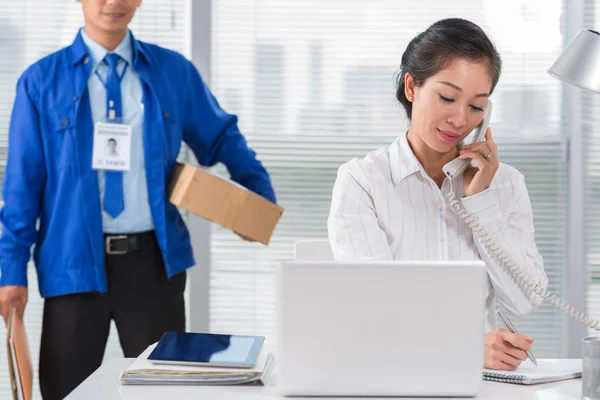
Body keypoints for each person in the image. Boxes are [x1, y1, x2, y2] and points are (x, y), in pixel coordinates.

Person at [0, 0, 276, 398]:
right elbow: (21, 186)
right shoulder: (41, 82)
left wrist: (258, 206)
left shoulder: (173, 72)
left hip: (153, 266)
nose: (114, 3)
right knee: (65, 392)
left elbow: (222, 138)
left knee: (166, 391)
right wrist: (10, 271)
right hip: (72, 264)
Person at [327, 18, 548, 372]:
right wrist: (466, 349)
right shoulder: (362, 181)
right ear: (412, 87)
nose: (460, 119)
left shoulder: (505, 184)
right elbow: (372, 309)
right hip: (391, 375)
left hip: (483, 385)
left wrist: (480, 203)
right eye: (447, 97)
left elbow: (525, 299)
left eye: (477, 106)